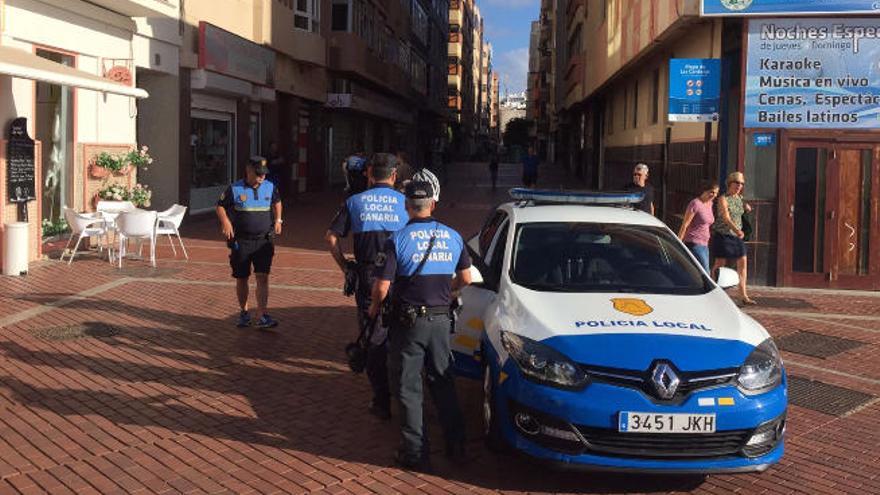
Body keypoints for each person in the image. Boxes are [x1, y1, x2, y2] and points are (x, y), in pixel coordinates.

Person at [368, 180, 472, 471]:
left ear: (406, 206)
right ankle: (457, 445)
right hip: (441, 320)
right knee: (443, 380)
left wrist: (375, 307)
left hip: (409, 322)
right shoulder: (453, 236)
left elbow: (382, 287)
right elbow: (466, 279)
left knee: (408, 386)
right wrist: (445, 292)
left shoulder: (397, 239)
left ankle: (415, 451)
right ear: (433, 204)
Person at [326, 153, 407, 420]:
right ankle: (406, 395)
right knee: (404, 334)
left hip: (369, 275)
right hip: (401, 277)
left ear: (369, 174)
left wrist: (346, 267)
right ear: (394, 176)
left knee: (373, 336)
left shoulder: (354, 202)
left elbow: (331, 238)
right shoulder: (406, 203)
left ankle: (381, 401)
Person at [216, 157, 283, 328]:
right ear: (249, 171)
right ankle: (244, 312)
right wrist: (226, 222)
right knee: (242, 278)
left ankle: (262, 315)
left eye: (264, 174)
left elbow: (277, 202)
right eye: (258, 174)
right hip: (242, 241)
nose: (262, 178)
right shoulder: (235, 188)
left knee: (262, 277)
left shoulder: (270, 186)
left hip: (263, 241)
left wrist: (278, 220)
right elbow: (220, 206)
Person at [711, 171, 755, 305]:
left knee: (743, 262)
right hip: (723, 235)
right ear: (730, 183)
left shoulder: (739, 199)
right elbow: (725, 217)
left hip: (737, 236)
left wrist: (747, 209)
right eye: (737, 183)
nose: (739, 186)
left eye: (742, 184)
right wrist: (736, 229)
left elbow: (739, 215)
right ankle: (714, 292)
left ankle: (743, 295)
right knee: (720, 264)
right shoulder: (723, 199)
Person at [678, 180, 719, 272]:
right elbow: (685, 224)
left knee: (698, 272)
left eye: (716, 193)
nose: (714, 195)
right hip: (694, 242)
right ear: (705, 190)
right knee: (705, 272)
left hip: (705, 243)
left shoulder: (710, 204)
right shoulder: (695, 203)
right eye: (712, 192)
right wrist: (679, 242)